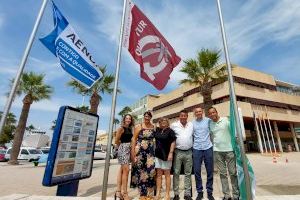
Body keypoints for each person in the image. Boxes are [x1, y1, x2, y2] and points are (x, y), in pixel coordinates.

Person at [208, 107, 239, 200]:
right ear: (209, 115)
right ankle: (227, 195)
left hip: (229, 150)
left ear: (217, 112)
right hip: (217, 151)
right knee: (223, 174)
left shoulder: (226, 120)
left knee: (233, 173)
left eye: (213, 112)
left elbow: (234, 132)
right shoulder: (210, 124)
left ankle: (236, 195)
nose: (212, 114)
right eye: (210, 113)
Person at [131, 111, 156, 199]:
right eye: (145, 116)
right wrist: (133, 153)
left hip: (150, 152)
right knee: (141, 171)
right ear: (143, 117)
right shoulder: (139, 126)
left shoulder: (153, 127)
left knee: (151, 171)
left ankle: (150, 193)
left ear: (150, 117)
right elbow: (134, 139)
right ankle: (142, 194)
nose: (147, 118)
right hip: (140, 151)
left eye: (148, 116)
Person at [192, 107, 215, 200]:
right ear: (195, 113)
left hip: (208, 148)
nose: (198, 113)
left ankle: (209, 192)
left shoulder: (208, 121)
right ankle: (200, 192)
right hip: (196, 148)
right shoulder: (192, 123)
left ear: (202, 112)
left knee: (210, 171)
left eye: (200, 111)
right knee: (197, 171)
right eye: (196, 112)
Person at [170, 110, 193, 200]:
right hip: (178, 152)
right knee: (176, 172)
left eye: (185, 115)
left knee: (188, 173)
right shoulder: (174, 125)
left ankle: (187, 193)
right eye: (181, 115)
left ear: (187, 116)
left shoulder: (191, 125)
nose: (183, 117)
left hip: (189, 152)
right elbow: (169, 136)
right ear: (179, 116)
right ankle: (176, 194)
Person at [154, 117, 176, 200]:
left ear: (167, 122)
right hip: (158, 155)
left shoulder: (170, 131)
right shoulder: (158, 130)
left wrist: (171, 153)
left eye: (165, 121)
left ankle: (167, 194)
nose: (163, 122)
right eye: (161, 121)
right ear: (159, 123)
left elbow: (173, 142)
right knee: (159, 175)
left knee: (167, 174)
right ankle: (158, 193)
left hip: (167, 154)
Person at [114, 114, 135, 200]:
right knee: (126, 171)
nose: (128, 120)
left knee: (122, 171)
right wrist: (123, 147)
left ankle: (119, 192)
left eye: (129, 119)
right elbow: (116, 141)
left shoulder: (129, 129)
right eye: (126, 118)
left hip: (128, 150)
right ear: (124, 119)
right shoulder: (121, 128)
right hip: (123, 149)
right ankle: (125, 193)